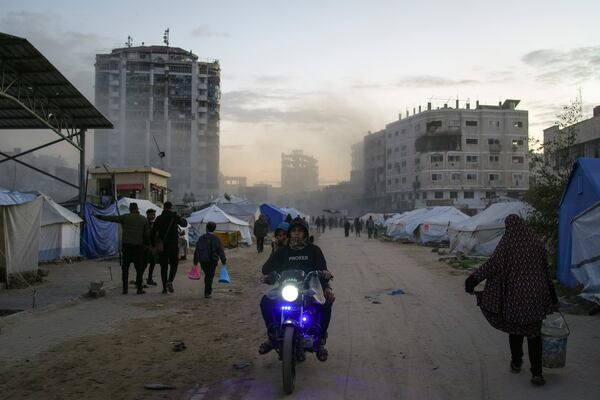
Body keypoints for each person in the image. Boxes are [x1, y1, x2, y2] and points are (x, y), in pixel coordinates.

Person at [465, 214, 558, 386]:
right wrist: (553, 298)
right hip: (536, 298)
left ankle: (516, 363)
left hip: (514, 298)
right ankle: (537, 373)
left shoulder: (507, 244)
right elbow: (546, 272)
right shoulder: (537, 243)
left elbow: (491, 265)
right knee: (534, 334)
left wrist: (471, 281)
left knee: (515, 330)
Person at [259, 217, 335, 361]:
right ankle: (272, 337)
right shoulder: (282, 251)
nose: (296, 234)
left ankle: (320, 341)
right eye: (293, 231)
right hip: (285, 289)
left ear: (305, 233)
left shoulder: (314, 250)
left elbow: (322, 270)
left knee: (326, 304)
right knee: (265, 302)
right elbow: (266, 269)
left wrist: (327, 286)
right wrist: (274, 252)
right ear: (289, 233)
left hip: (309, 290)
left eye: (300, 231)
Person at [94, 202, 149, 294]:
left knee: (125, 268)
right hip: (138, 247)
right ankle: (139, 288)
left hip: (126, 246)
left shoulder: (125, 217)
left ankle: (125, 289)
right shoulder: (143, 219)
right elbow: (147, 235)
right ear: (137, 209)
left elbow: (111, 218)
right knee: (139, 269)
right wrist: (146, 246)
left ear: (130, 209)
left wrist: (98, 216)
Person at [151, 201, 188, 294]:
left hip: (162, 246)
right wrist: (178, 216)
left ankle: (164, 288)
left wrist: (153, 244)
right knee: (174, 264)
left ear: (164, 208)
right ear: (171, 208)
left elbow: (153, 232)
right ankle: (170, 281)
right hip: (173, 245)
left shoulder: (159, 218)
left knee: (163, 267)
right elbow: (184, 224)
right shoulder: (174, 217)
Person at [193, 221, 227, 298]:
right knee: (210, 276)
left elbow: (197, 249)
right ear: (214, 229)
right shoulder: (216, 239)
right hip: (213, 260)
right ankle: (207, 292)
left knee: (207, 275)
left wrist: (195, 260)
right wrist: (223, 260)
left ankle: (208, 290)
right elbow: (220, 250)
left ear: (206, 228)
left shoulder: (202, 238)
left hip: (203, 260)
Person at [145, 209, 158, 286]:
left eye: (154, 214)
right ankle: (139, 281)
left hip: (151, 246)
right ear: (148, 214)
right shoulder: (145, 223)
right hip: (146, 246)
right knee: (143, 264)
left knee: (153, 262)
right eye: (152, 214)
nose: (154, 216)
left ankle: (149, 279)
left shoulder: (152, 223)